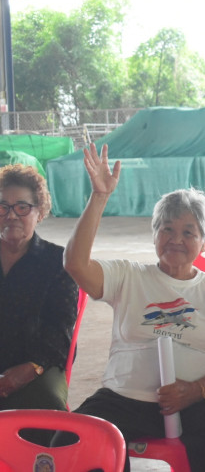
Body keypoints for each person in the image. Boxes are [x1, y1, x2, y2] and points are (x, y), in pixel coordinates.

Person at [59, 144, 205, 472]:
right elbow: (75, 264)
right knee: (71, 443)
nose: (175, 239)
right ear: (154, 234)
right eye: (166, 229)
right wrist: (99, 196)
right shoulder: (128, 276)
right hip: (125, 398)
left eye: (188, 232)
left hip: (200, 400)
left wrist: (195, 390)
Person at [0, 164, 78, 438]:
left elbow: (61, 329)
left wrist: (31, 368)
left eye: (22, 207)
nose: (11, 215)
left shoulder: (58, 262)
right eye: (3, 206)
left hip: (38, 363)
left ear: (40, 212)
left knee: (46, 404)